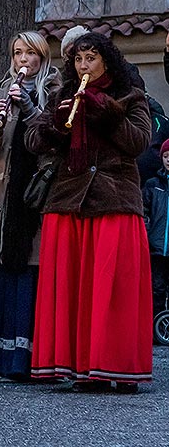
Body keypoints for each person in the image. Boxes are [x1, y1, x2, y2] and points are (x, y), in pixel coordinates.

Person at [27, 32, 153, 393]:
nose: (84, 66)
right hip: (69, 200)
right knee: (74, 289)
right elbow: (32, 139)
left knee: (113, 289)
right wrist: (56, 125)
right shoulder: (61, 94)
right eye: (79, 60)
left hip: (115, 201)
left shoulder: (131, 95)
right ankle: (80, 366)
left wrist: (107, 115)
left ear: (107, 61)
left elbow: (140, 143)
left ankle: (116, 365)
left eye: (91, 59)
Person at [0, 31, 61, 381]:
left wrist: (29, 109)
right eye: (17, 53)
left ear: (42, 57)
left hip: (31, 199)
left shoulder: (54, 93)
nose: (23, 60)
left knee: (26, 273)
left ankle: (21, 362)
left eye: (30, 53)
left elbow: (54, 144)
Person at [143, 139, 169, 332]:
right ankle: (153, 329)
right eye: (166, 156)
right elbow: (144, 211)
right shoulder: (153, 184)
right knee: (156, 289)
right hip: (157, 248)